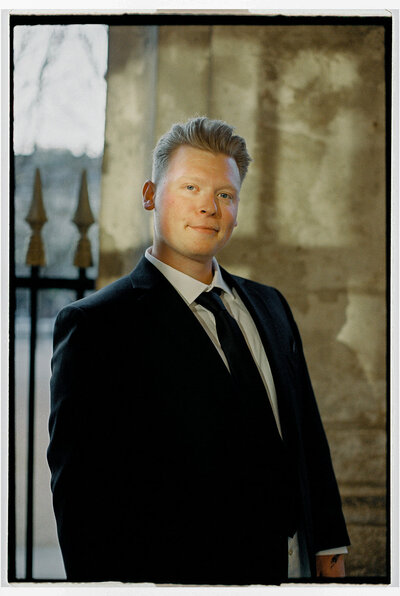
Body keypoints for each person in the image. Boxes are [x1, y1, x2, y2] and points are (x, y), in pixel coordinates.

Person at [47, 117, 350, 585]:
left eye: (224, 195)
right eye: (190, 187)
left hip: (297, 575)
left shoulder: (270, 304)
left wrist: (330, 549)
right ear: (150, 194)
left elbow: (307, 437)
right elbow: (85, 506)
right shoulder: (95, 328)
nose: (209, 207)